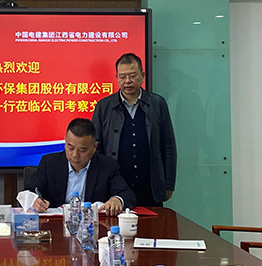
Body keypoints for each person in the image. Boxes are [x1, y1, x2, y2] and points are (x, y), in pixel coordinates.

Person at [92, 53, 176, 207]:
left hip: (150, 186)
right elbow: (96, 148)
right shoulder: (104, 106)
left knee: (154, 222)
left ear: (142, 76)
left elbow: (168, 146)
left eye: (132, 75)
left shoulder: (157, 103)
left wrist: (169, 183)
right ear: (117, 78)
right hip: (115, 187)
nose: (127, 81)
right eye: (122, 76)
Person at [25, 118, 136, 216]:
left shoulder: (107, 166)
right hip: (57, 225)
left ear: (94, 147)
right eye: (70, 147)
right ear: (65, 142)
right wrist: (34, 200)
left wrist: (117, 200)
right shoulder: (50, 163)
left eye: (82, 150)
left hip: (93, 226)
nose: (75, 155)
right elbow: (30, 191)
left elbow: (127, 194)